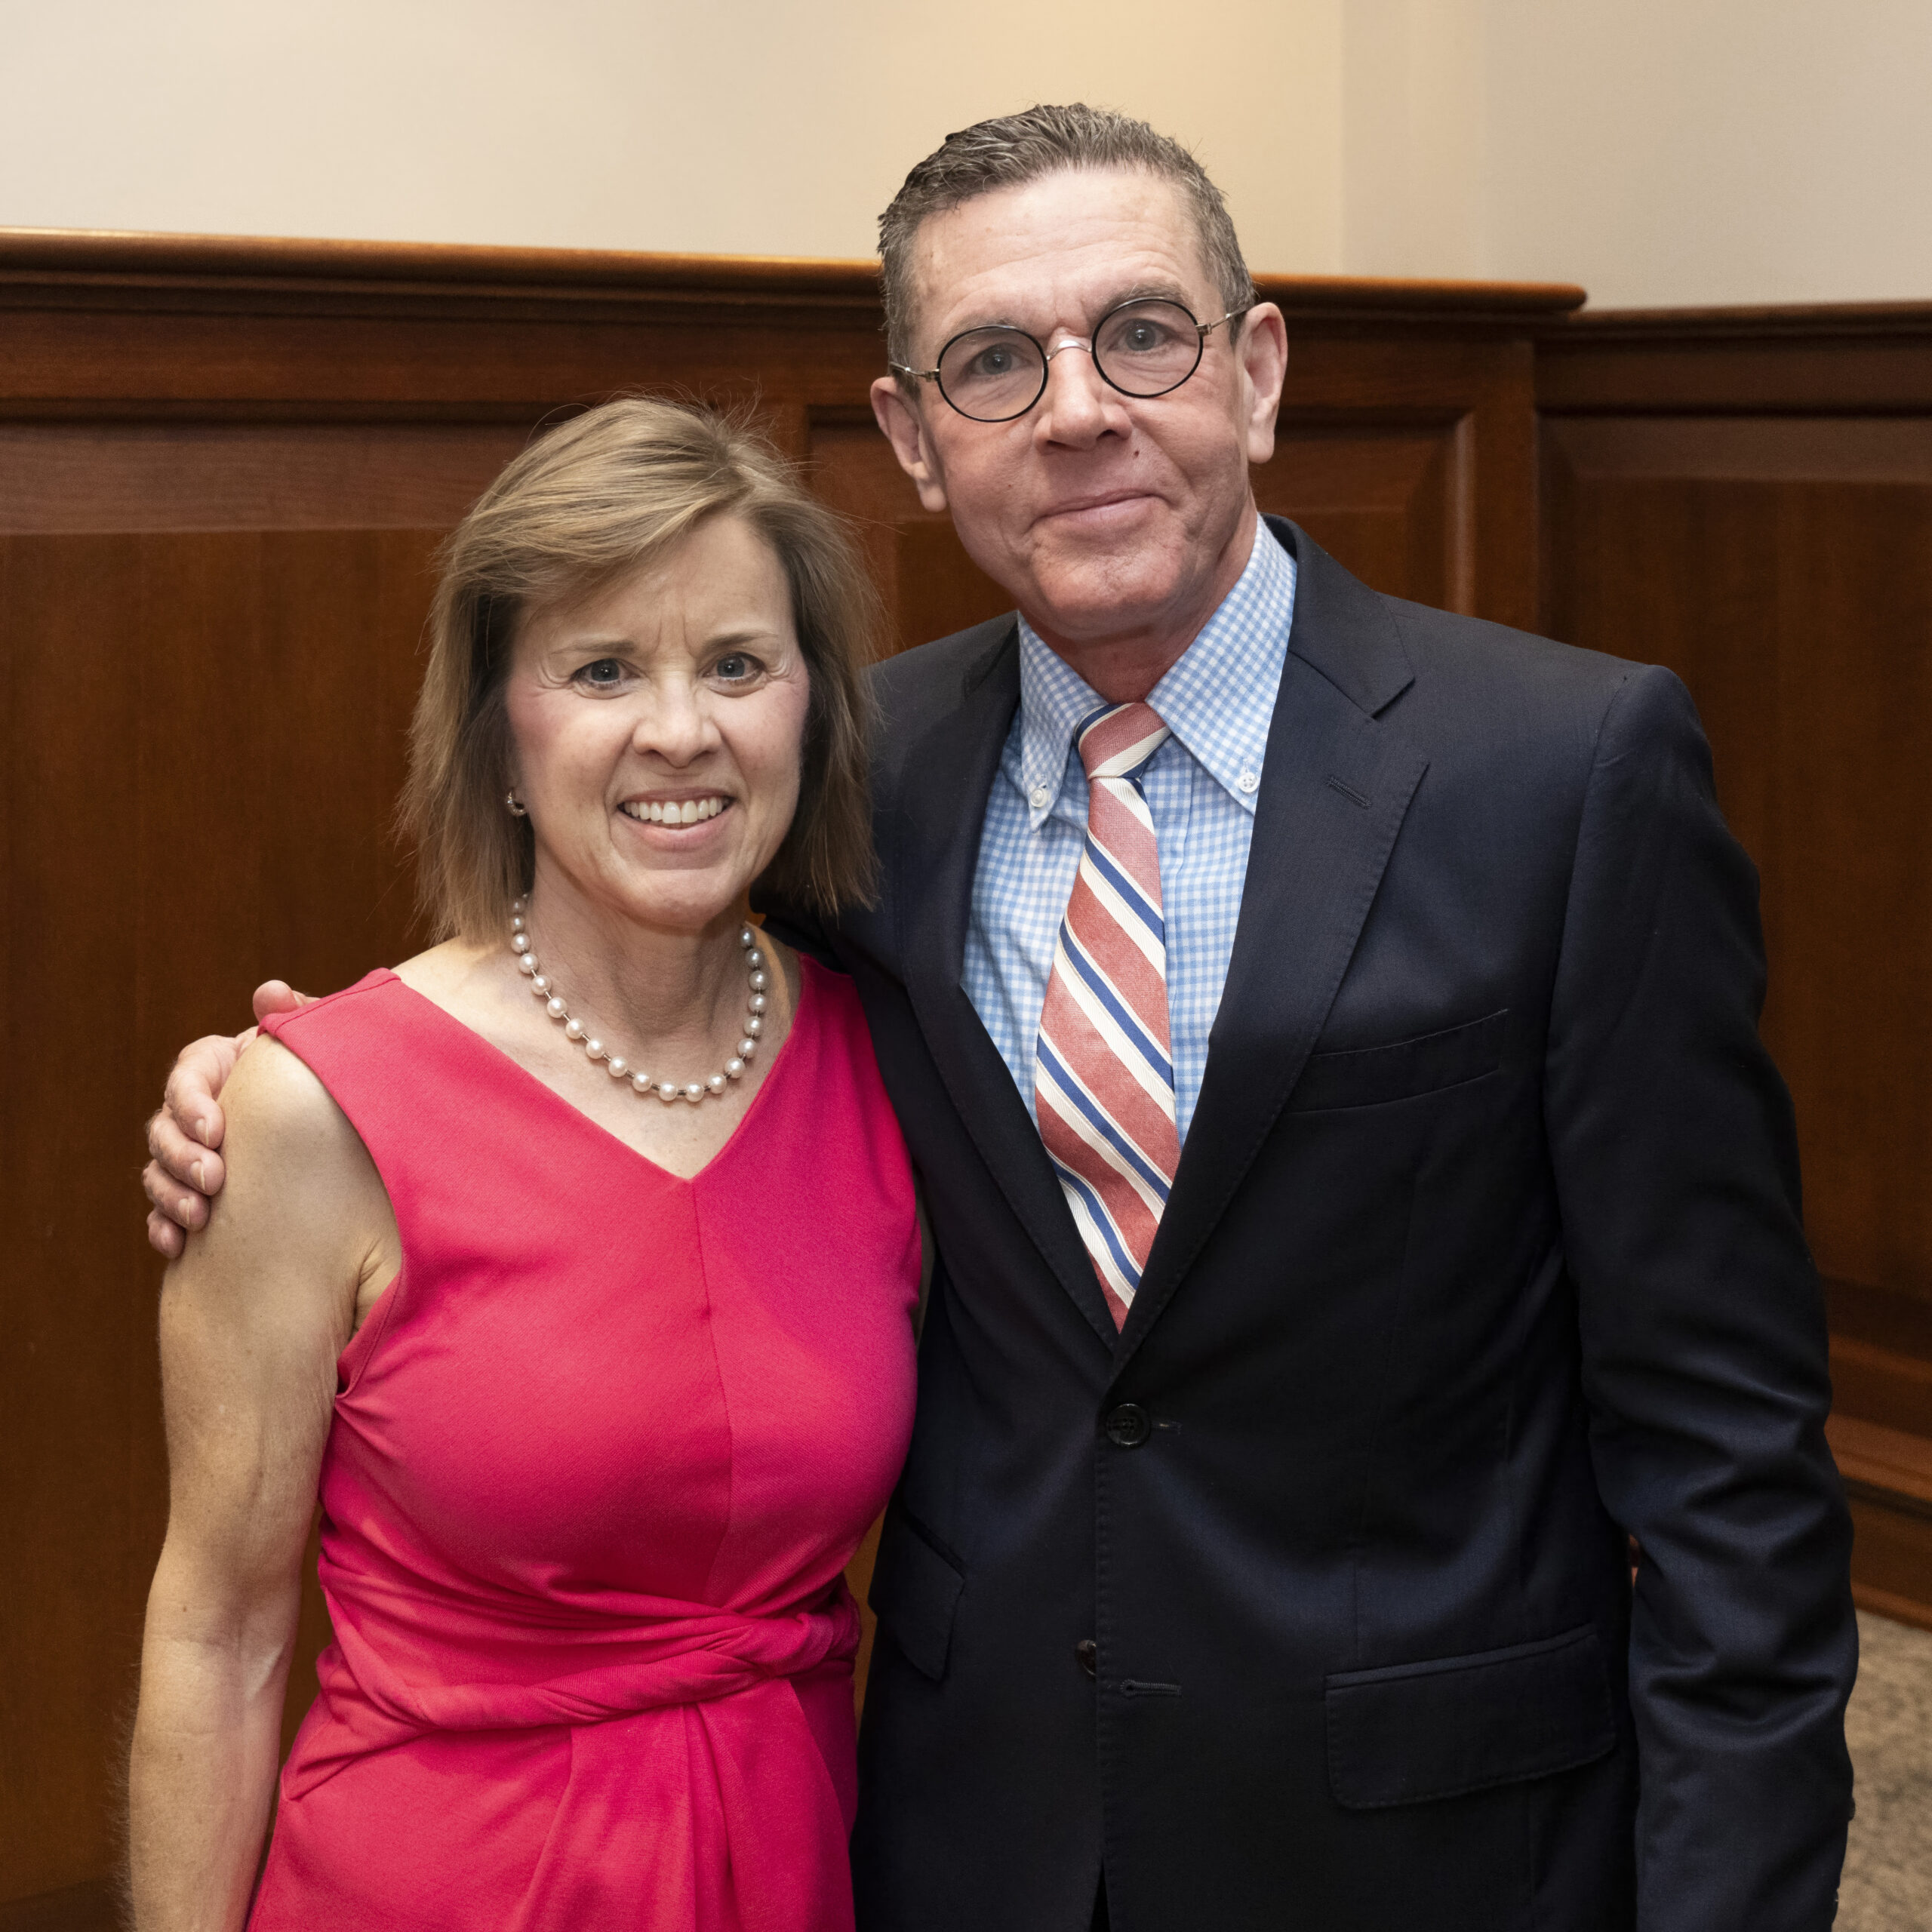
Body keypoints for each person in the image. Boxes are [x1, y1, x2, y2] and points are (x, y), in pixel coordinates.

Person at [145, 106, 1856, 1932]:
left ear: (1256, 371)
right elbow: (604, 985)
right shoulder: (851, 781)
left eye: (1142, 333)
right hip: (973, 1831)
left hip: (1429, 1840)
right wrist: (279, 1089)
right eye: (991, 362)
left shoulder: (1563, 772)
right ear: (912, 436)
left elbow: (1725, 1454)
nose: (1076, 411)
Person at [128, 398, 919, 1930]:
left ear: (810, 712)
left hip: (794, 1872)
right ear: (497, 732)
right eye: (602, 669)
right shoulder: (310, 1113)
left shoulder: (885, 1061)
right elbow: (216, 1639)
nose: (679, 730)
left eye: (736, 664)